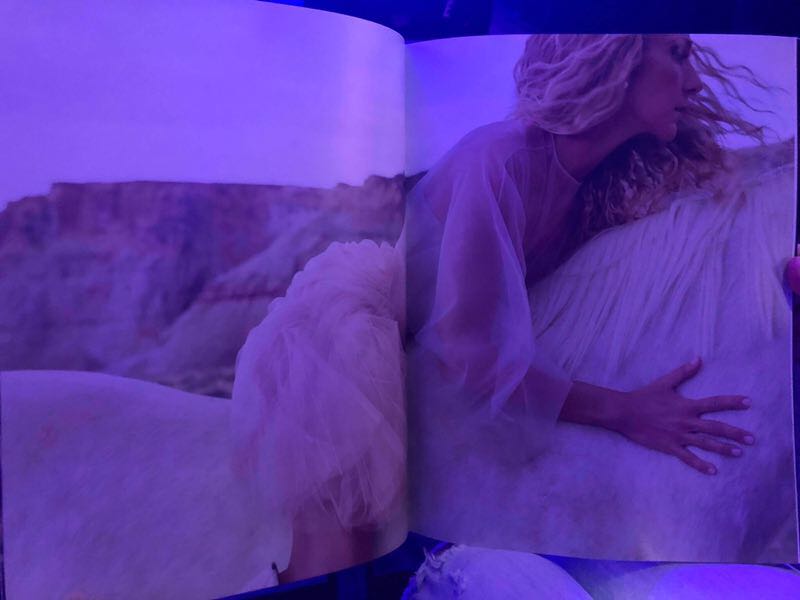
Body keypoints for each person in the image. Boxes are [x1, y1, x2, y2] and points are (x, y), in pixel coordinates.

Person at [404, 33, 778, 476]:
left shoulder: (603, 182)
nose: (695, 82)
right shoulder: (498, 161)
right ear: (616, 62)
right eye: (677, 55)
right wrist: (625, 411)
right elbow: (466, 349)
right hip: (363, 344)